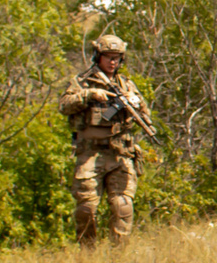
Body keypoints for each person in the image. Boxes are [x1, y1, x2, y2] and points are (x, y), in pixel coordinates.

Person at [60, 33, 153, 247]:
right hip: (90, 154)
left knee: (123, 206)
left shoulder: (126, 85)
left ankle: (117, 259)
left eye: (117, 57)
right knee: (86, 209)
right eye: (108, 57)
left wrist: (135, 104)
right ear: (98, 56)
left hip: (120, 153)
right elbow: (64, 105)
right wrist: (89, 95)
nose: (113, 62)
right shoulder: (82, 82)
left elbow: (145, 115)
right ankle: (88, 254)